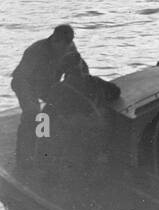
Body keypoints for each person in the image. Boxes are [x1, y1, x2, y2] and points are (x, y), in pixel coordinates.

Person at [10, 25, 118, 171]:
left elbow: (79, 67)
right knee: (33, 114)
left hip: (50, 84)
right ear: (54, 39)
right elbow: (21, 77)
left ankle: (48, 151)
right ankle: (24, 160)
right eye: (63, 45)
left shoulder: (69, 46)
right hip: (26, 83)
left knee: (61, 114)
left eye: (69, 43)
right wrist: (32, 102)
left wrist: (81, 85)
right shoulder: (35, 51)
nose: (66, 48)